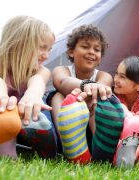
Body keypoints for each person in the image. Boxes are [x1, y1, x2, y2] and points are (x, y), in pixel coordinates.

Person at [50, 24, 123, 164]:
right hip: (69, 123)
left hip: (90, 128)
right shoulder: (62, 70)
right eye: (85, 47)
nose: (91, 52)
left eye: (97, 49)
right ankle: (67, 142)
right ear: (71, 52)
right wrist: (85, 85)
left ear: (100, 58)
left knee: (96, 98)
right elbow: (62, 82)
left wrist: (93, 88)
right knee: (58, 95)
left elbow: (103, 86)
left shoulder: (104, 75)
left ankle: (102, 148)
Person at [0, 15, 57, 159]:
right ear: (20, 43)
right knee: (5, 110)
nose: (47, 55)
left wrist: (33, 94)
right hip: (5, 113)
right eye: (43, 48)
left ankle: (43, 137)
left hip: (25, 112)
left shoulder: (40, 70)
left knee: (37, 108)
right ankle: (8, 155)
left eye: (49, 49)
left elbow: (38, 82)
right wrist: (2, 96)